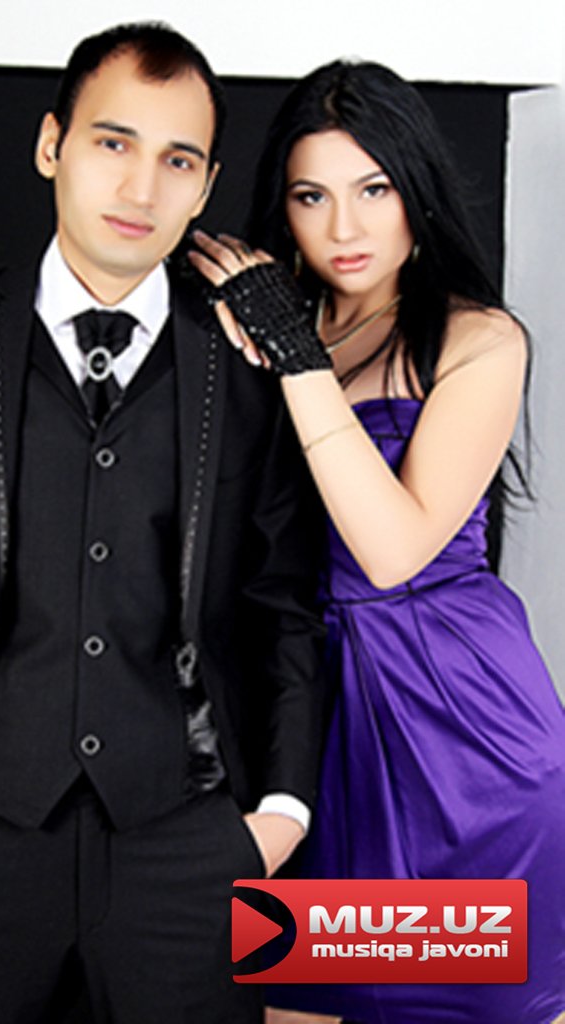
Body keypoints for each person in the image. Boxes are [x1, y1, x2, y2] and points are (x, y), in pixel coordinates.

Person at [0, 23, 327, 1024]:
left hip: (189, 845)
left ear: (206, 187)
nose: (140, 187)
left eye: (177, 160)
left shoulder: (247, 364)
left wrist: (277, 814)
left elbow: (283, 596)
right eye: (112, 142)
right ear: (52, 145)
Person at [189, 59, 565, 1024]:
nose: (344, 228)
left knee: (485, 1004)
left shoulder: (479, 340)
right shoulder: (252, 329)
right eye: (311, 196)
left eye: (374, 189)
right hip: (301, 722)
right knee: (293, 999)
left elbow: (392, 551)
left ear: (416, 191)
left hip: (457, 735)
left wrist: (294, 357)